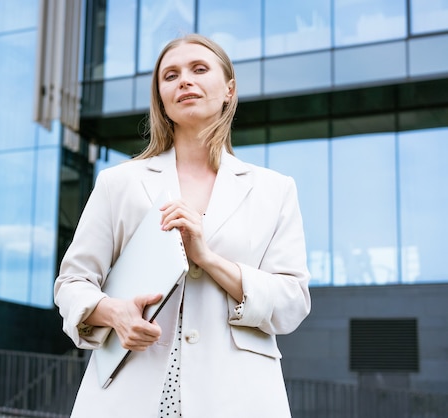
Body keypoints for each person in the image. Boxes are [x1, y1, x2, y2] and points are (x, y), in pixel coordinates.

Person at [54, 33, 311, 418]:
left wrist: (207, 258)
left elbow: (292, 301)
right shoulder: (118, 182)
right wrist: (114, 313)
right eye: (170, 75)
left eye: (199, 69)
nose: (184, 81)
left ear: (229, 89)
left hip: (238, 397)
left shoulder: (274, 190)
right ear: (161, 97)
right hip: (130, 394)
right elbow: (72, 283)